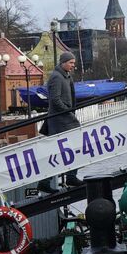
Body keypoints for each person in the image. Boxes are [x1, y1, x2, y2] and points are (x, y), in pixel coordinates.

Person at [43, 53, 81, 190]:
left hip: (65, 118)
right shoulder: (56, 77)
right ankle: (49, 181)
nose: (73, 65)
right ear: (63, 62)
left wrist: (72, 110)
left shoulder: (66, 76)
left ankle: (69, 176)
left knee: (69, 148)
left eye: (73, 62)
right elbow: (55, 99)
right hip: (59, 120)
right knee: (60, 150)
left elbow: (71, 95)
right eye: (70, 62)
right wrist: (67, 111)